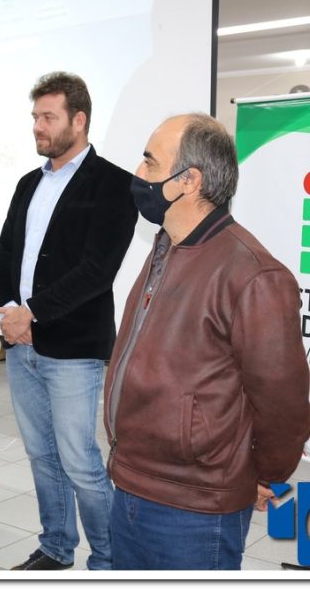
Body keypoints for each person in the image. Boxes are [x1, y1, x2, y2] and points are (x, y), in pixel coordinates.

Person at [105, 113, 310, 570]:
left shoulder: (253, 274)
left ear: (189, 181)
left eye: (150, 163)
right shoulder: (166, 248)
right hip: (133, 484)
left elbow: (284, 403)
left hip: (194, 509)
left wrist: (266, 474)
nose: (138, 174)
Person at [0, 71, 138, 571]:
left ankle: (112, 560)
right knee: (41, 456)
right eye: (35, 117)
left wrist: (33, 314)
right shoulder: (28, 183)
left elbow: (97, 270)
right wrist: (10, 311)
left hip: (73, 348)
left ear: (79, 120)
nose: (38, 126)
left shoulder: (114, 184)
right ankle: (56, 546)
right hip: (22, 344)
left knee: (79, 461)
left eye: (48, 117)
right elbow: (2, 256)